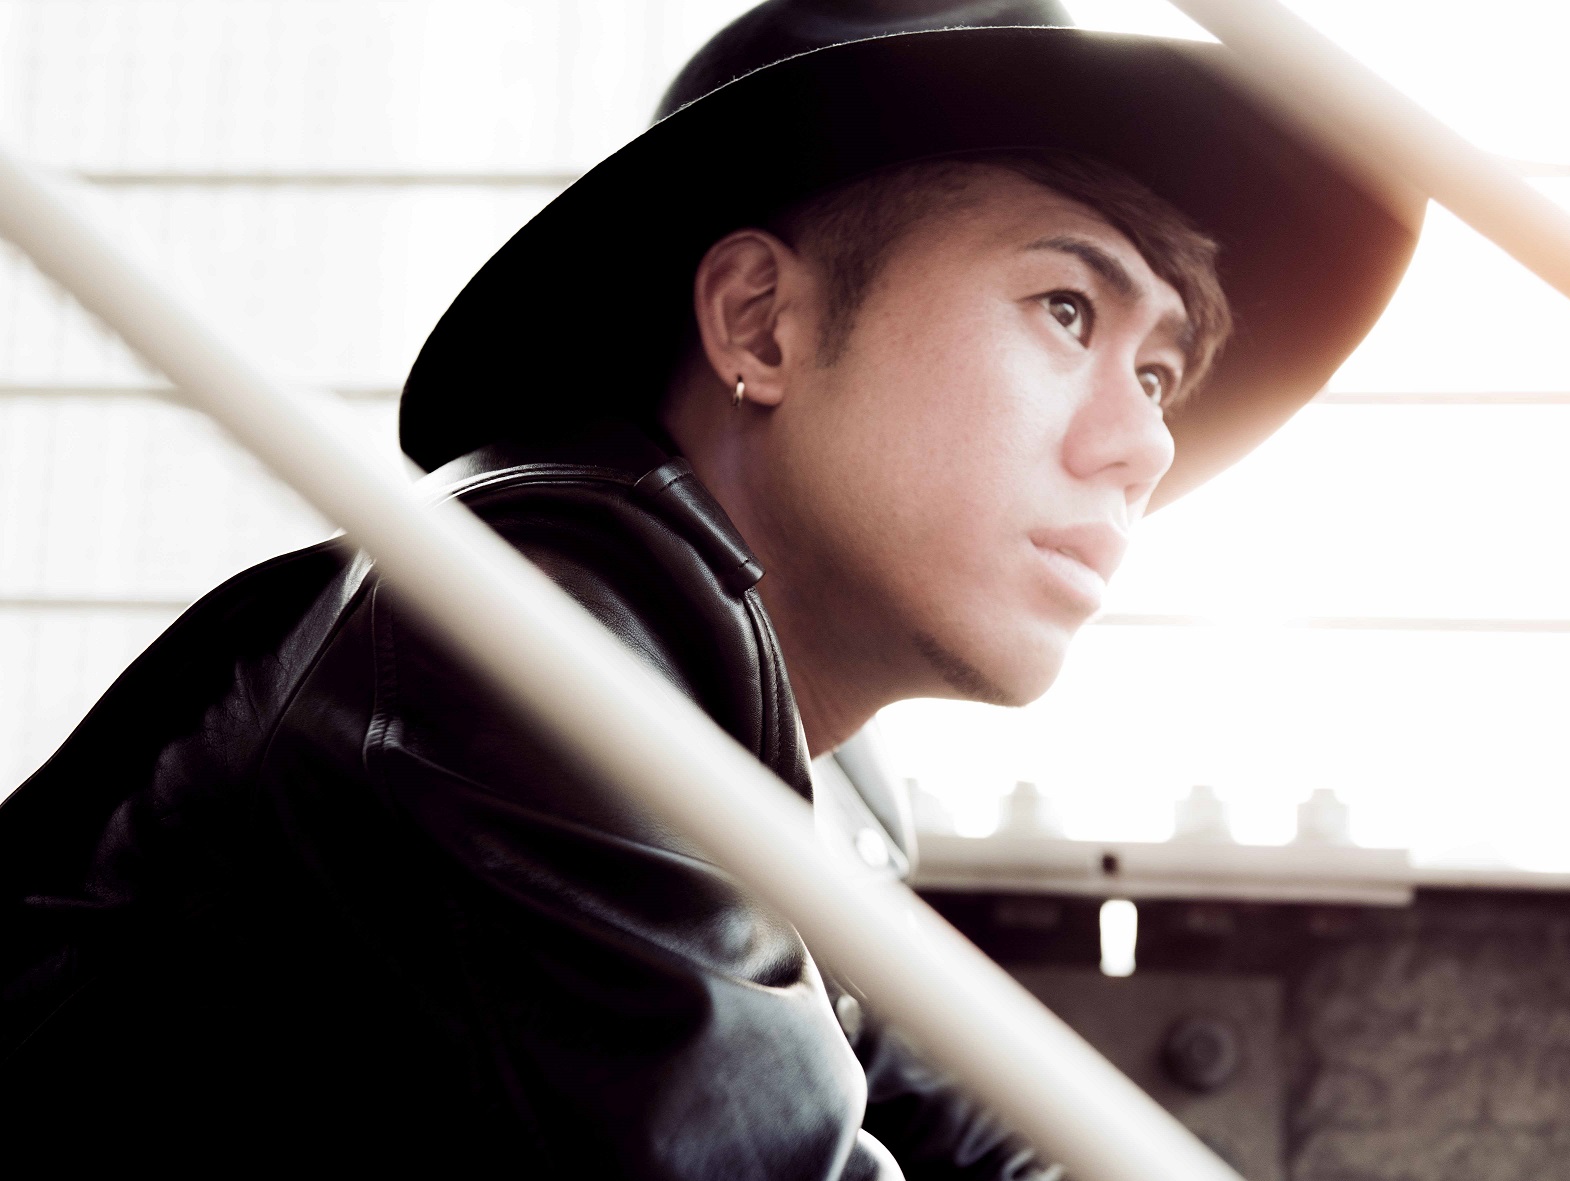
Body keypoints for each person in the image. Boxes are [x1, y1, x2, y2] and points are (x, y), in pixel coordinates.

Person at [0, 2, 1418, 1176]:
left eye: (1159, 375)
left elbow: (986, 1136)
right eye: (1066, 310)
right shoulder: (524, 642)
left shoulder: (806, 770)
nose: (1144, 448)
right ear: (761, 323)